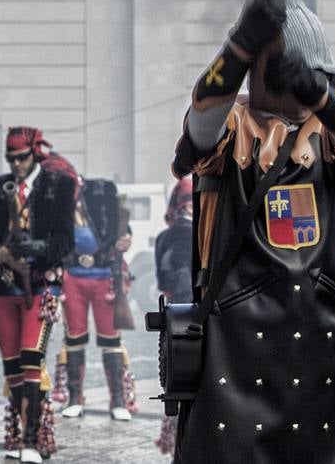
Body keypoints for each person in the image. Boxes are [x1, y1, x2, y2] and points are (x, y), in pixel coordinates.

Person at [171, 0, 335, 464]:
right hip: (240, 337)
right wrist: (237, 48)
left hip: (329, 335)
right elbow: (199, 130)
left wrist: (318, 95)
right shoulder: (232, 125)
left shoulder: (332, 128)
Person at [0, 126, 76, 464]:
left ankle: (33, 441)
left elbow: (65, 240)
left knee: (32, 360)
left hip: (41, 285)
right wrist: (0, 253)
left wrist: (35, 248)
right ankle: (21, 434)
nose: (17, 164)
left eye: (22, 158)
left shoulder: (58, 185)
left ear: (34, 154)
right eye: (11, 159)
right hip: (5, 286)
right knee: (12, 368)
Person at [51, 157, 135, 422]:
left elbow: (119, 223)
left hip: (103, 275)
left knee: (111, 339)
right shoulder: (53, 205)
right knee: (74, 337)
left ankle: (118, 400)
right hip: (72, 276)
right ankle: (75, 398)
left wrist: (126, 238)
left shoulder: (100, 193)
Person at [152, 176, 193, 458]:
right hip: (188, 319)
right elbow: (175, 276)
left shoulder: (168, 234)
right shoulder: (183, 233)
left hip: (178, 316)